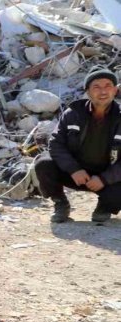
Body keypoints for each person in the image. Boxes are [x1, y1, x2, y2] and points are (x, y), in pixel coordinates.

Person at [34, 68, 121, 224]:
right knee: (44, 163)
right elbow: (55, 144)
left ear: (115, 90)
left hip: (107, 177)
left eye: (108, 86)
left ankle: (105, 207)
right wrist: (74, 169)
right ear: (87, 91)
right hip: (76, 173)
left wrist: (104, 178)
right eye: (96, 87)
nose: (103, 91)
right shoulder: (73, 114)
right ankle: (60, 203)